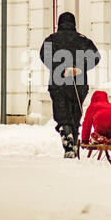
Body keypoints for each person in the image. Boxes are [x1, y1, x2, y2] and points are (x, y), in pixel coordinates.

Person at [40, 12, 101, 158]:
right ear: (74, 24)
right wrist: (80, 67)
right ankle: (73, 142)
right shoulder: (83, 40)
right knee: (75, 114)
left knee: (62, 115)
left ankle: (68, 141)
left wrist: (60, 68)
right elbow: (96, 57)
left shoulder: (51, 40)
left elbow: (44, 56)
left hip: (58, 82)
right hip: (79, 84)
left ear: (59, 23)